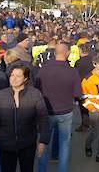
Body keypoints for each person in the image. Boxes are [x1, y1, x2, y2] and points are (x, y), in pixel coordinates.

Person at [0, 63, 50, 172]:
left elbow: (43, 118)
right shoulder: (2, 95)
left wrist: (43, 141)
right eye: (12, 75)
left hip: (27, 144)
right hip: (6, 144)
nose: (14, 79)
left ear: (25, 78)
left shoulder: (34, 94)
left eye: (18, 76)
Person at [37, 42, 81, 172]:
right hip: (65, 112)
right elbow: (77, 94)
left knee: (44, 142)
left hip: (46, 111)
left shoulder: (43, 69)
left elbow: (36, 89)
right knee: (64, 144)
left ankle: (41, 169)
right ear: (67, 53)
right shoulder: (72, 71)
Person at [75, 43, 94, 132]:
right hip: (93, 86)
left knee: (83, 108)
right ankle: (94, 124)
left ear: (81, 51)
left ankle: (85, 125)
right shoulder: (93, 61)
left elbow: (75, 76)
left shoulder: (78, 62)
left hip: (82, 87)